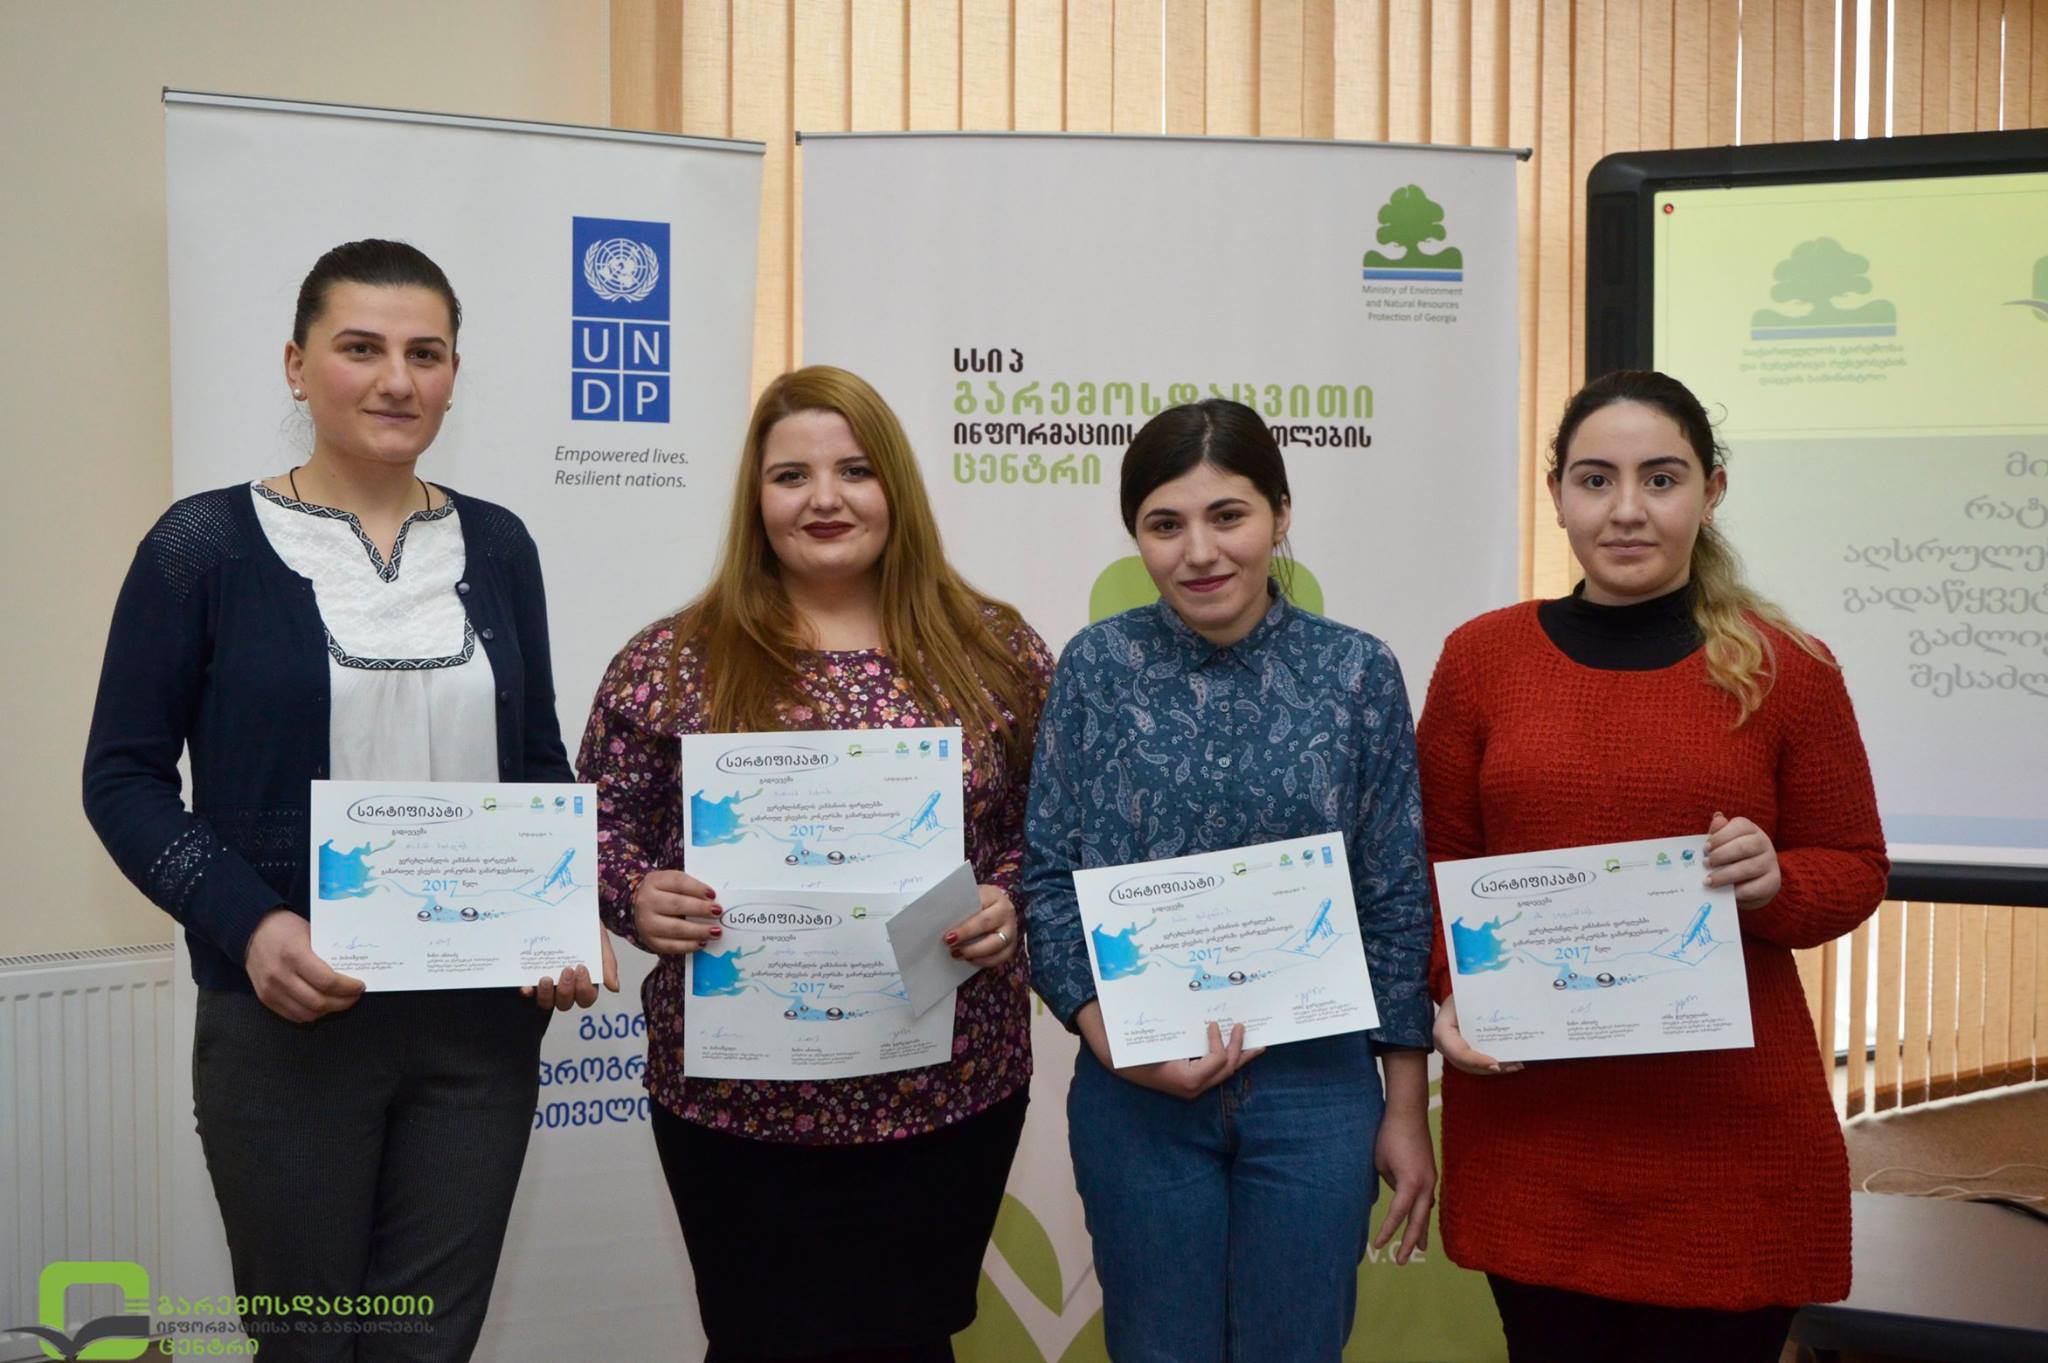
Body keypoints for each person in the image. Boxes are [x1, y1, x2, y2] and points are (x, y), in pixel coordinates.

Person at [82, 239, 612, 1362]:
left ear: (454, 374)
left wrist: (563, 912)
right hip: (290, 1017)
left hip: (479, 1024)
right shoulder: (201, 544)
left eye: (426, 353)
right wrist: (249, 923)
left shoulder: (499, 543)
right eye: (360, 348)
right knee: (310, 1343)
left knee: (429, 1343)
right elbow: (122, 777)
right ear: (296, 364)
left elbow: (532, 760)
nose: (396, 380)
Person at [578, 365, 1051, 1363]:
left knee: (913, 1342)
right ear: (756, 498)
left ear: (896, 487)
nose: (824, 498)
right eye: (791, 475)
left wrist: (1007, 899)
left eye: (855, 470)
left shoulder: (993, 649)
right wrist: (633, 895)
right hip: (736, 1101)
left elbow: (1043, 829)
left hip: (947, 1089)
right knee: (756, 1342)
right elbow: (595, 828)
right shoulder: (672, 660)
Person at [1420, 370, 1889, 1363]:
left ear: (1710, 491)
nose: (1626, 509)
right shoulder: (1479, 659)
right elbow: (1433, 861)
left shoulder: (1788, 667)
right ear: (1555, 493)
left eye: (1660, 478)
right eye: (1595, 479)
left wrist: (1775, 880)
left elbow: (1854, 866)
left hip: (1725, 1148)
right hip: (1536, 1136)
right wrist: (1450, 986)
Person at [1019, 398, 1437, 1363]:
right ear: (1136, 535)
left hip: (1316, 1089)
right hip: (1139, 1092)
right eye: (1165, 523)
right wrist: (1111, 1040)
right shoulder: (1095, 668)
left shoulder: (1357, 673)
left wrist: (1404, 1107)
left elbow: (1393, 897)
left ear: (1281, 515)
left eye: (1229, 515)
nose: (1200, 551)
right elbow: (1047, 878)